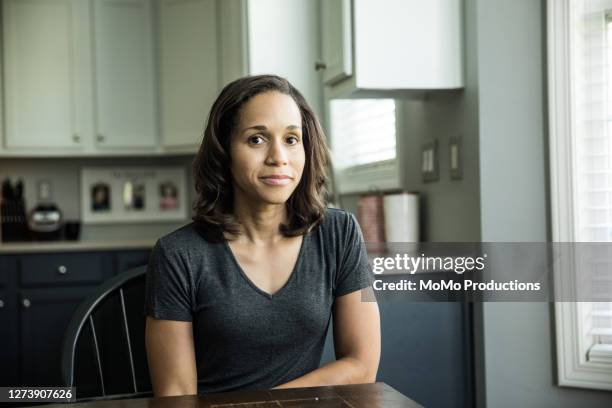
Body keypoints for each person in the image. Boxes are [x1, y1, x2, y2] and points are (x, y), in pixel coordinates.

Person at [144, 75, 380, 397]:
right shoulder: (178, 254)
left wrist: (266, 405)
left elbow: (361, 365)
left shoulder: (338, 234)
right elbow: (176, 395)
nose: (278, 157)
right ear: (224, 151)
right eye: (257, 139)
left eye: (292, 139)